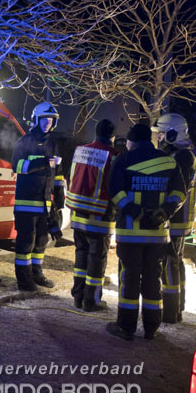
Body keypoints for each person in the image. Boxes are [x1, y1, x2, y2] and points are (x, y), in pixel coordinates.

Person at [106, 123, 186, 341]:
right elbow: (180, 193)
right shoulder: (169, 161)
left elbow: (115, 192)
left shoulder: (123, 160)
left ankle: (126, 327)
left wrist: (136, 212)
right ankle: (152, 328)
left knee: (129, 279)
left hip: (130, 233)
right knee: (153, 279)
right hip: (158, 234)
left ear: (131, 141)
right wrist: (163, 213)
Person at [66, 119, 119, 311]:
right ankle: (91, 301)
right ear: (112, 136)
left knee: (81, 257)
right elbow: (114, 186)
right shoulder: (113, 155)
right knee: (97, 261)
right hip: (99, 216)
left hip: (78, 213)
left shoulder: (81, 150)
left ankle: (77, 297)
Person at [11, 102, 64, 291]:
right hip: (26, 202)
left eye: (51, 120)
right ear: (36, 120)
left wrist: (59, 197)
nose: (48, 123)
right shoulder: (24, 141)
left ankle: (37, 273)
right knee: (26, 242)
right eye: (44, 120)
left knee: (42, 240)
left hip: (45, 203)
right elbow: (16, 166)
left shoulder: (52, 143)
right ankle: (24, 280)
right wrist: (43, 162)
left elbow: (57, 173)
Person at [152, 113, 196, 323]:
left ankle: (170, 311)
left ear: (172, 133)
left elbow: (175, 189)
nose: (159, 138)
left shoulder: (182, 157)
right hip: (179, 217)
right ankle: (177, 307)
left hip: (175, 218)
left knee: (170, 263)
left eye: (162, 134)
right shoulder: (183, 155)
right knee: (176, 263)